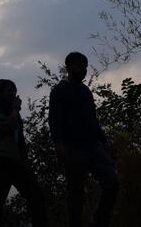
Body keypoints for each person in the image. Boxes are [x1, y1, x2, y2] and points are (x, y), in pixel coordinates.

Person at [49, 52, 119, 227]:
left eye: (86, 66)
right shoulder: (59, 90)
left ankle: (99, 222)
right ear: (69, 67)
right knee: (75, 194)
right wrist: (59, 145)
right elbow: (54, 120)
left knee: (112, 182)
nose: (84, 70)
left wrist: (103, 140)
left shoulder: (85, 91)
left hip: (93, 146)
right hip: (73, 148)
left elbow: (92, 120)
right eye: (80, 66)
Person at [0, 79, 48, 227]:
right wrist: (16, 109)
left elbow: (19, 139)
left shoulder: (12, 113)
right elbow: (6, 126)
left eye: (14, 91)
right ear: (0, 93)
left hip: (16, 162)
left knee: (37, 197)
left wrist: (25, 159)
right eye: (9, 91)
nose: (13, 94)